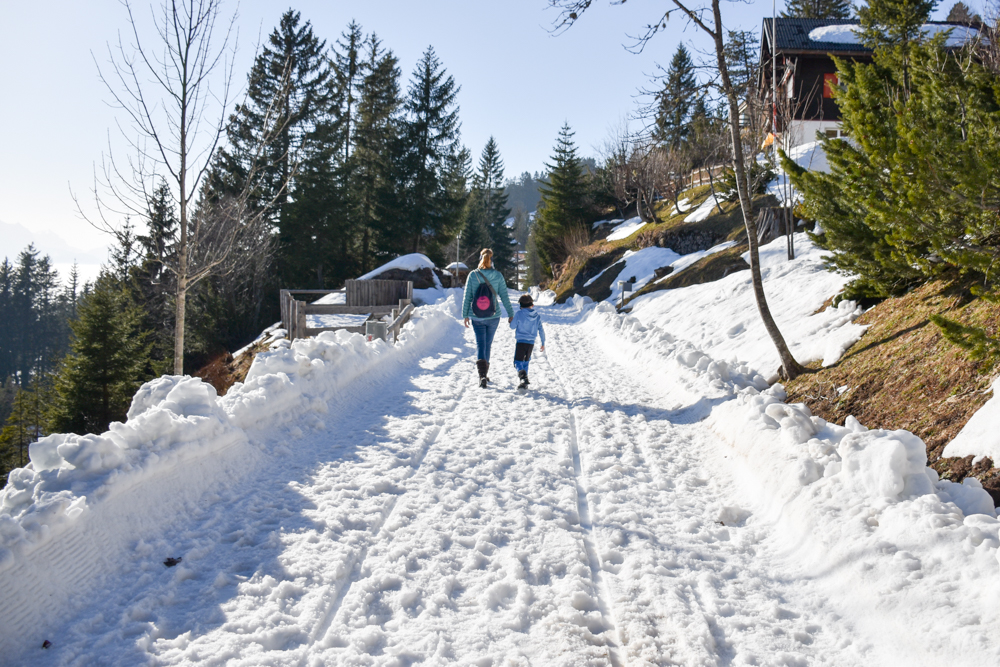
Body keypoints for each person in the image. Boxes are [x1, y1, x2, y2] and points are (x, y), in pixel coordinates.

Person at [462, 248, 514, 388]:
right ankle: (485, 374)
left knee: (480, 344)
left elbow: (467, 296)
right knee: (487, 344)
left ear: (481, 258)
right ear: (492, 259)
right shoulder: (497, 276)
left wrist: (465, 314)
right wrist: (510, 313)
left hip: (476, 316)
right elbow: (504, 296)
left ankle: (482, 376)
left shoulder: (473, 275)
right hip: (493, 315)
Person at [509, 294, 546, 389]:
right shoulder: (537, 316)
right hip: (531, 343)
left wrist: (512, 320)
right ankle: (523, 382)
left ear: (520, 306)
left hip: (521, 341)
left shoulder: (519, 314)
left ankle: (522, 376)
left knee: (517, 361)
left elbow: (512, 326)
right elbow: (541, 329)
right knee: (526, 361)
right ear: (532, 305)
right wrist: (543, 342)